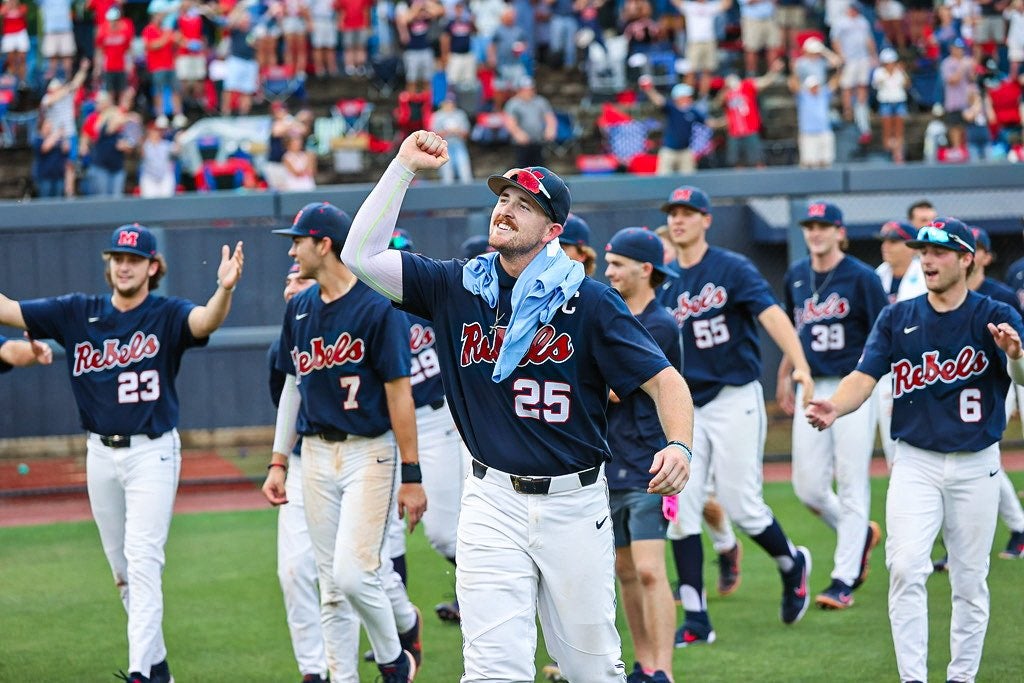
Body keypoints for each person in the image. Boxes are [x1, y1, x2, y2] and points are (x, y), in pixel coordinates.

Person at [343, 131, 694, 682]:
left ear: (553, 231)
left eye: (524, 204)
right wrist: (403, 167)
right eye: (503, 198)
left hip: (574, 503)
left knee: (592, 669)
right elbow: (359, 254)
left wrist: (678, 444)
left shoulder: (590, 300)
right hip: (490, 500)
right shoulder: (457, 286)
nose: (505, 210)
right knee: (491, 669)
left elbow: (667, 383)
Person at [0, 224, 244, 683]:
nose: (124, 265)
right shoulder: (77, 312)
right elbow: (9, 310)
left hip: (153, 452)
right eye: (117, 257)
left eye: (134, 259)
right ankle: (158, 669)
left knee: (143, 558)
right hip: (99, 455)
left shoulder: (166, 313)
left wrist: (224, 290)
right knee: (123, 574)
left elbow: (205, 322)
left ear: (153, 267)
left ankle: (139, 673)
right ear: (109, 263)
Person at [805, 218, 1024, 683]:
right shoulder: (898, 316)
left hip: (976, 465)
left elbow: (1022, 377)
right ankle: (913, 678)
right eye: (923, 251)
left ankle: (961, 677)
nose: (927, 259)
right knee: (904, 567)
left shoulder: (994, 311)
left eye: (940, 252)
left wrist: (1015, 357)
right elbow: (863, 378)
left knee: (969, 581)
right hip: (915, 462)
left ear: (966, 258)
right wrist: (835, 407)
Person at [264, 202, 427, 683]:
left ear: (324, 244)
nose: (292, 250)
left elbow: (400, 394)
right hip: (313, 454)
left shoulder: (378, 307)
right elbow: (293, 387)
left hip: (368, 453)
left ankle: (393, 658)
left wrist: (412, 476)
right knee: (332, 588)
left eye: (298, 240)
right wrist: (278, 461)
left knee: (355, 574)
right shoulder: (299, 308)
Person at [657, 184, 814, 646]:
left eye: (688, 212)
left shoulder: (731, 267)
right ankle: (698, 618)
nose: (679, 220)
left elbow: (771, 315)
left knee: (742, 505)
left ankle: (791, 562)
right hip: (686, 405)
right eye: (674, 213)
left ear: (707, 220)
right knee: (681, 511)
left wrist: (799, 362)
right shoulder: (666, 280)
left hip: (733, 398)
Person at [778, 201, 888, 610]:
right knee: (807, 486)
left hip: (853, 384)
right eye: (810, 226)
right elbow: (796, 330)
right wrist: (786, 374)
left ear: (840, 231)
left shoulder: (861, 277)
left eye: (824, 225)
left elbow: (884, 332)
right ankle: (860, 536)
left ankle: (844, 578)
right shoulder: (797, 275)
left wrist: (873, 383)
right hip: (812, 383)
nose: (816, 232)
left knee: (852, 479)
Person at [603, 227, 682, 683]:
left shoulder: (660, 325)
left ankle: (663, 672)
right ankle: (644, 663)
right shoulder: (613, 315)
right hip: (612, 464)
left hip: (652, 465)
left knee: (651, 572)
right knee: (625, 571)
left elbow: (613, 390)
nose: (608, 271)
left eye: (617, 264)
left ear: (645, 269)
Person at [386, 228, 471, 624]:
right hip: (395, 428)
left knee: (447, 529)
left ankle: (481, 589)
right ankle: (399, 622)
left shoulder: (434, 298)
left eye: (405, 255)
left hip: (445, 418)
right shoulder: (373, 309)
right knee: (399, 533)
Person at [264, 264, 329, 683]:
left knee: (347, 576)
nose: (291, 286)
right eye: (286, 279)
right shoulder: (281, 348)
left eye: (300, 279)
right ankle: (313, 670)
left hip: (360, 459)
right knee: (292, 571)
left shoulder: (358, 321)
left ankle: (394, 640)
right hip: (305, 460)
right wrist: (278, 462)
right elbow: (285, 402)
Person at [965, 227, 1024, 562]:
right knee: (982, 454)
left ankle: (1017, 527)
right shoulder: (947, 293)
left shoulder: (999, 293)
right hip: (973, 383)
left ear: (986, 256)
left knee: (984, 454)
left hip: (1011, 375)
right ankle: (1017, 527)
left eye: (977, 248)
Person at [874, 200, 934, 465]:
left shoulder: (926, 276)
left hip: (923, 367)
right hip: (887, 369)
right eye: (885, 240)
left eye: (894, 240)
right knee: (892, 447)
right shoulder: (876, 276)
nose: (886, 245)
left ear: (911, 247)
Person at [640, 81, 706, 176]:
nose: (690, 99)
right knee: (663, 179)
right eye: (687, 96)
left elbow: (709, 122)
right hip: (669, 151)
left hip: (685, 151)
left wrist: (727, 120)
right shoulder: (672, 108)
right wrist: (649, 89)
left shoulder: (693, 111)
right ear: (679, 97)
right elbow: (658, 101)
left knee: (689, 179)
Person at [502, 76, 557, 168]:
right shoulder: (513, 104)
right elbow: (510, 121)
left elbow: (549, 117)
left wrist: (550, 130)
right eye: (526, 89)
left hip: (538, 141)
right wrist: (517, 133)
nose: (529, 91)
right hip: (522, 143)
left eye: (530, 89)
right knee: (522, 168)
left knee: (539, 169)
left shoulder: (540, 101)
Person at [872, 48, 909, 163]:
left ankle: (898, 149)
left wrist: (902, 71)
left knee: (898, 124)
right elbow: (876, 85)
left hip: (898, 101)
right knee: (887, 123)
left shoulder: (899, 72)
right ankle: (889, 147)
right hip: (886, 102)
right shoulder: (879, 73)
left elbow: (907, 84)